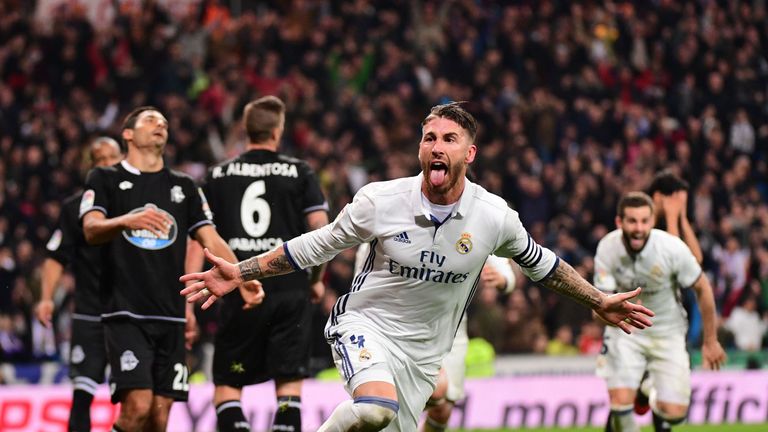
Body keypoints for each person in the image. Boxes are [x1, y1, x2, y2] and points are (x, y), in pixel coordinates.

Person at [180, 102, 654, 432]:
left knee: (382, 417)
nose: (436, 147)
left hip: (426, 355)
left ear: (468, 154)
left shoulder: (494, 216)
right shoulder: (380, 201)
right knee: (373, 409)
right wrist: (239, 272)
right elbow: (315, 246)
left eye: (449, 139)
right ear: (421, 150)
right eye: (429, 138)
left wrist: (598, 300)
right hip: (365, 325)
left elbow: (542, 265)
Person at [80, 106, 264, 432]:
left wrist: (243, 273)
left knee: (159, 416)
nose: (160, 125)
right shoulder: (105, 178)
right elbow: (91, 228)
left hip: (171, 316)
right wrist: (127, 220)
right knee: (137, 406)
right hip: (125, 314)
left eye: (164, 122)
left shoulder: (185, 186)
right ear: (128, 133)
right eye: (150, 120)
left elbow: (210, 238)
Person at [200, 95, 329, 432]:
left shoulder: (217, 175)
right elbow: (320, 230)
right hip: (290, 291)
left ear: (246, 130)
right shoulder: (299, 172)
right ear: (278, 131)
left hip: (239, 290)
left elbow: (198, 234)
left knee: (228, 385)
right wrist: (316, 279)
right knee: (289, 386)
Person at [594, 191, 726, 432]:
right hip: (626, 331)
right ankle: (634, 398)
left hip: (667, 332)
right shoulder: (607, 248)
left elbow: (703, 288)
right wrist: (600, 312)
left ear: (653, 222)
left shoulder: (670, 247)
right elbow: (601, 302)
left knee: (675, 415)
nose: (638, 228)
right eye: (632, 221)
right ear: (619, 222)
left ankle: (647, 391)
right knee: (620, 405)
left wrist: (710, 340)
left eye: (644, 221)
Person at [34, 136, 123, 432]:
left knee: (137, 396)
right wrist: (46, 296)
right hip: (90, 313)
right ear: (90, 168)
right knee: (82, 395)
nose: (106, 165)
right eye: (99, 160)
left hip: (131, 312)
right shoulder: (75, 208)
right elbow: (55, 256)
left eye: (111, 158)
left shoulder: (137, 201)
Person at [421, 255, 515, 432]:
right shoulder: (396, 231)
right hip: (406, 322)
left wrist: (504, 279)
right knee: (433, 391)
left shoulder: (472, 229)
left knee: (443, 410)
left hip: (453, 326)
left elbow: (502, 262)